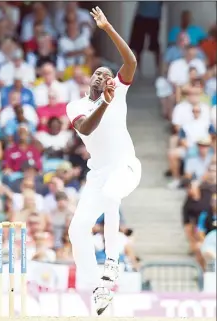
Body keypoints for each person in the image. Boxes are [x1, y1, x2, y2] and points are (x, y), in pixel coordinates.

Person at [67, 7, 141, 315]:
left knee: (113, 194)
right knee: (76, 230)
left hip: (126, 168)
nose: (104, 75)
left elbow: (131, 61)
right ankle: (98, 287)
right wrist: (104, 103)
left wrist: (108, 28)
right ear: (90, 82)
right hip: (98, 175)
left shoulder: (119, 93)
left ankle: (113, 261)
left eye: (108, 75)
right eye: (99, 73)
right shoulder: (77, 105)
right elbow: (85, 128)